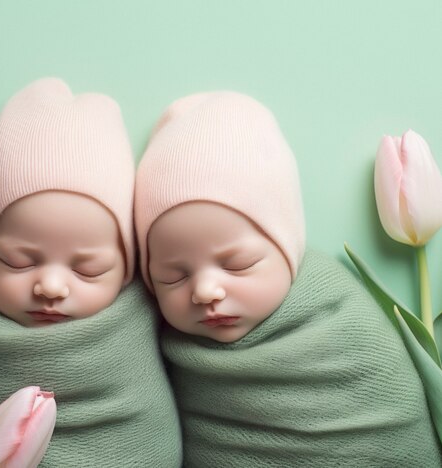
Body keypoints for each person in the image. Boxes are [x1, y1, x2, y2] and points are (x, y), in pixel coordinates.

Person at [134, 91, 442, 467]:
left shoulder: (340, 318)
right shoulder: (158, 350)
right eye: (173, 276)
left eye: (238, 264)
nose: (205, 291)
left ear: (286, 248)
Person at [0, 78, 181, 467]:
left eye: (88, 269)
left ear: (126, 267)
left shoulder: (143, 321)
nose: (50, 286)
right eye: (18, 261)